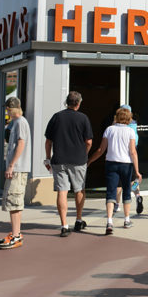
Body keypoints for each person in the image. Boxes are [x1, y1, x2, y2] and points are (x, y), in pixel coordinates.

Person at [44, 91, 93, 237]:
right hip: (78, 159)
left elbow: (48, 141)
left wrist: (48, 158)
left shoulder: (57, 117)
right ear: (78, 103)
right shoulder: (83, 118)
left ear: (67, 102)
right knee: (79, 189)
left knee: (62, 191)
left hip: (59, 159)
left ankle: (64, 225)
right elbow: (89, 141)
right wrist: (84, 153)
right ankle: (78, 219)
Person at [87, 107, 142, 234]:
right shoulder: (130, 131)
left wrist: (90, 160)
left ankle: (109, 221)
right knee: (127, 191)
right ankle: (127, 220)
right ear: (129, 118)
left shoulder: (109, 130)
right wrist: (137, 171)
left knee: (111, 192)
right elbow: (133, 152)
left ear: (116, 117)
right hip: (126, 165)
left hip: (111, 163)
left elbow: (101, 150)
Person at [0, 97, 31, 250]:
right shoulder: (16, 123)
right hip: (15, 168)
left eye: (9, 109)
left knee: (14, 201)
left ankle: (16, 235)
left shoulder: (20, 122)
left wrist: (11, 165)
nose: (8, 112)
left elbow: (21, 143)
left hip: (17, 168)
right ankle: (15, 233)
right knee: (12, 201)